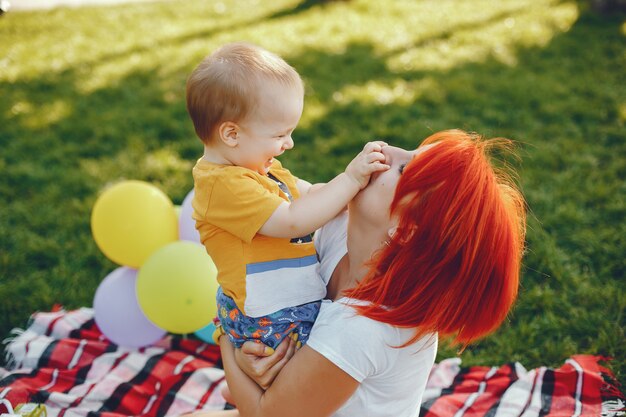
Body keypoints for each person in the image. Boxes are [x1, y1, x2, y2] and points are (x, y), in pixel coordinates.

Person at [188, 129, 527, 417]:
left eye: (402, 167)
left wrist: (228, 341)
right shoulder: (339, 231)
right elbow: (277, 198)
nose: (385, 148)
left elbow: (268, 413)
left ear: (405, 230)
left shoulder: (362, 331)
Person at [186, 42, 389, 350]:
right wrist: (349, 179)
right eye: (280, 135)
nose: (289, 143)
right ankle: (254, 393)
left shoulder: (259, 169)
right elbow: (292, 221)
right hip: (269, 318)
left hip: (287, 304)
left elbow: (309, 194)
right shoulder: (223, 187)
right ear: (232, 135)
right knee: (311, 369)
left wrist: (359, 190)